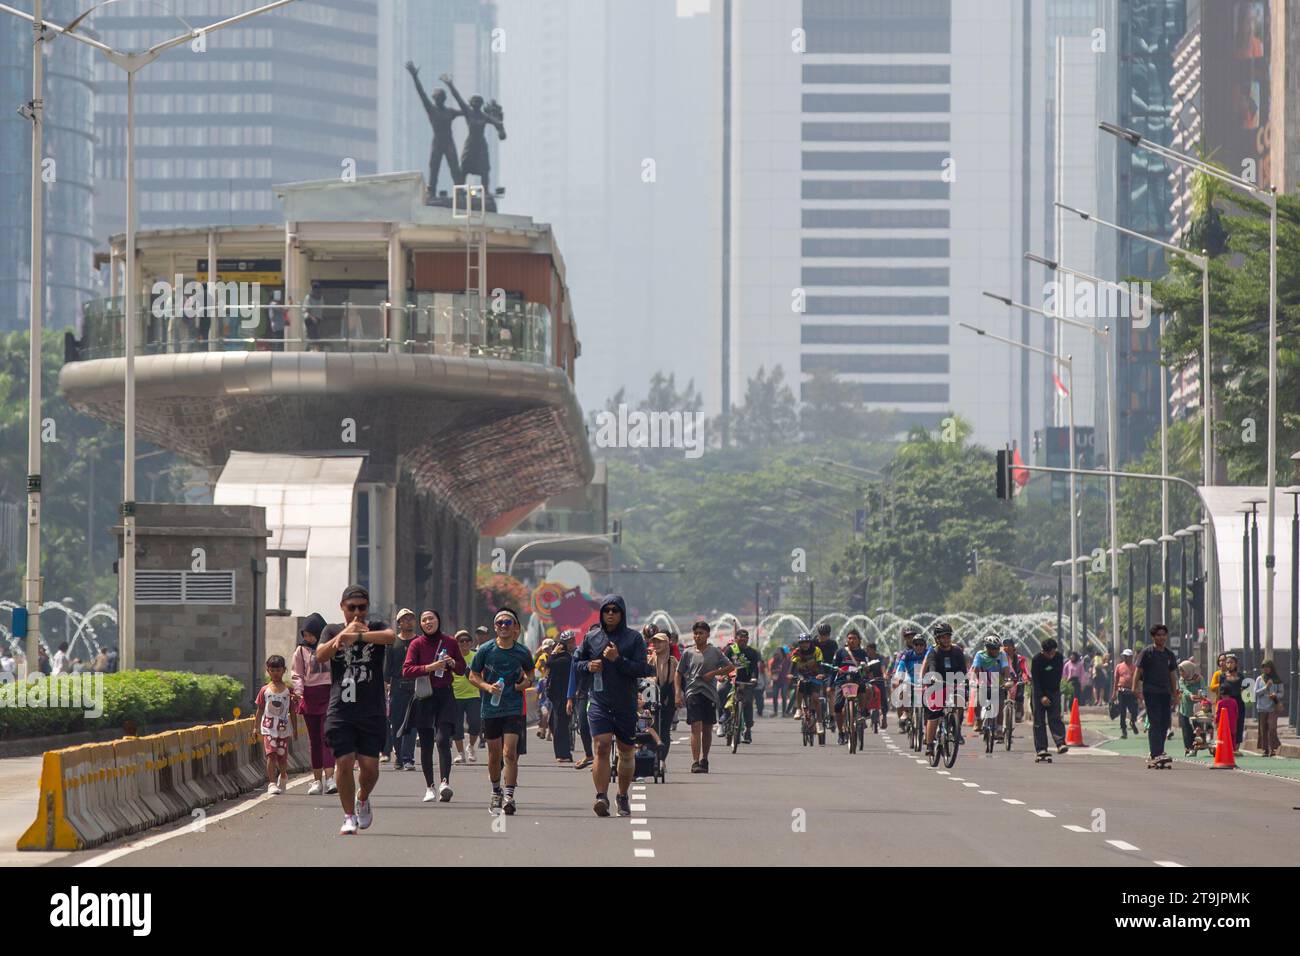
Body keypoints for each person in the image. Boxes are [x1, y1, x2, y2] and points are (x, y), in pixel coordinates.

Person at [316, 584, 395, 835]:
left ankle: (363, 798)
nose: (358, 613)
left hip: (371, 710)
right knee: (345, 761)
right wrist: (343, 637)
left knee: (370, 768)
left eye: (362, 608)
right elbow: (319, 655)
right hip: (341, 709)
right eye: (352, 608)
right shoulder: (331, 630)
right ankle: (348, 815)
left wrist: (359, 636)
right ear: (342, 607)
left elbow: (390, 637)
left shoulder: (377, 626)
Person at [573, 595, 654, 815]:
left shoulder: (634, 639)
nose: (610, 613)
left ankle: (622, 795)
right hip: (599, 700)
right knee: (601, 745)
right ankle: (601, 797)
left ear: (622, 613)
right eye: (606, 610)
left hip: (625, 702)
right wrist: (588, 666)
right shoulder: (591, 637)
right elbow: (576, 663)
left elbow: (643, 669)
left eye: (615, 610)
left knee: (626, 751)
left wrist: (618, 659)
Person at [467, 608, 534, 815]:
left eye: (508, 623)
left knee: (510, 753)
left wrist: (524, 684)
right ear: (495, 627)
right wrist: (487, 687)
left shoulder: (522, 652)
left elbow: (531, 673)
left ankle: (509, 796)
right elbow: (473, 675)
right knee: (494, 755)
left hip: (513, 707)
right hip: (491, 708)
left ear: (515, 627)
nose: (504, 626)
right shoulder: (486, 650)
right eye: (500, 623)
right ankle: (496, 790)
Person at [399, 609, 466, 803]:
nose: (428, 622)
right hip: (424, 696)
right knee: (426, 743)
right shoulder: (416, 643)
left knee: (443, 739)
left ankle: (445, 782)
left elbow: (462, 670)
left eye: (432, 619)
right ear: (421, 624)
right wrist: (430, 668)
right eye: (424, 620)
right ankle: (429, 787)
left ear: (438, 621)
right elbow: (407, 670)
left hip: (445, 695)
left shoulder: (450, 642)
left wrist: (452, 663)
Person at [676, 619, 735, 773]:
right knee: (695, 727)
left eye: (701, 633)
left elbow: (730, 667)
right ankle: (695, 761)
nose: (698, 636)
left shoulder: (715, 652)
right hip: (692, 692)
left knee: (707, 729)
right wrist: (678, 692)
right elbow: (679, 672)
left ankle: (705, 759)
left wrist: (714, 673)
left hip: (709, 694)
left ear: (708, 634)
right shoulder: (688, 653)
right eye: (695, 633)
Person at [290, 612, 336, 795]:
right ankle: (317, 780)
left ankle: (330, 778)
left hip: (329, 695)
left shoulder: (331, 647)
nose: (307, 638)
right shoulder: (301, 651)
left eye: (310, 634)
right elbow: (297, 674)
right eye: (305, 635)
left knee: (327, 738)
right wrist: (299, 692)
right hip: (309, 697)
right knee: (314, 741)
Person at [1133, 624, 1179, 766]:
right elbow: (1138, 671)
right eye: (1158, 635)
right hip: (1151, 692)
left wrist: (1175, 693)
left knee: (1165, 723)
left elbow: (1172, 675)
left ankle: (1159, 752)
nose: (1161, 637)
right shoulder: (1147, 652)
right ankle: (1156, 753)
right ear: (1153, 637)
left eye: (1163, 635)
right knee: (1155, 722)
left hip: (1165, 693)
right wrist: (1135, 688)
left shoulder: (1169, 654)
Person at [921, 621, 968, 755]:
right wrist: (933, 678)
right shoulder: (933, 652)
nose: (946, 639)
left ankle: (956, 728)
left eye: (948, 636)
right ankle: (930, 744)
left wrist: (963, 681)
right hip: (937, 683)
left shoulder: (957, 651)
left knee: (960, 700)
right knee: (934, 715)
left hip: (953, 683)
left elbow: (963, 670)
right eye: (943, 637)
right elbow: (932, 666)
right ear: (937, 638)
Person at [254, 655, 298, 795]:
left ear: (283, 670)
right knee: (271, 755)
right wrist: (255, 727)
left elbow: (292, 710)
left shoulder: (288, 690)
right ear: (268, 671)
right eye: (272, 670)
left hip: (283, 729)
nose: (275, 673)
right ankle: (272, 783)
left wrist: (295, 729)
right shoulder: (264, 690)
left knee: (282, 756)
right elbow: (260, 709)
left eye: (278, 670)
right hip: (268, 728)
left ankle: (283, 775)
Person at [384, 609, 420, 771]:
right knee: (396, 724)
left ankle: (408, 758)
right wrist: (386, 685)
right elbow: (387, 668)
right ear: (399, 623)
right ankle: (398, 755)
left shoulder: (420, 642)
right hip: (397, 687)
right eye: (405, 619)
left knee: (412, 724)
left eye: (411, 619)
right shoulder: (393, 643)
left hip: (415, 687)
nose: (409, 622)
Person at [1030, 637, 1069, 757]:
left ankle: (1060, 743)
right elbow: (1035, 681)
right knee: (1039, 721)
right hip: (1038, 692)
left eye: (1052, 652)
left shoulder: (1058, 658)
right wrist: (1042, 696)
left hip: (1053, 691)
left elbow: (1057, 677)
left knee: (1055, 718)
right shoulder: (1037, 660)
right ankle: (1041, 748)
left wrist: (1050, 696)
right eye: (1047, 653)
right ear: (1043, 651)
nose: (1049, 655)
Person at [723, 628, 762, 743]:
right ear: (736, 639)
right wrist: (722, 675)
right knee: (721, 692)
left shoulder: (753, 653)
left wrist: (754, 678)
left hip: (746, 682)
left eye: (745, 637)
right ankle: (723, 720)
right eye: (741, 637)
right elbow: (722, 663)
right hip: (730, 680)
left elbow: (755, 668)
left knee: (748, 703)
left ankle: (748, 730)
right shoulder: (730, 650)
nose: (743, 639)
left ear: (748, 639)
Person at [969, 637, 1011, 739]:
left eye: (997, 648)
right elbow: (975, 669)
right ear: (987, 648)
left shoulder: (1002, 655)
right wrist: (973, 680)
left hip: (997, 683)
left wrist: (1007, 680)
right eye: (993, 648)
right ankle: (978, 719)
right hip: (983, 682)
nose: (996, 650)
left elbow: (1006, 668)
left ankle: (999, 729)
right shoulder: (980, 655)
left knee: (1000, 707)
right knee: (977, 702)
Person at [831, 630, 868, 743]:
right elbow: (834, 668)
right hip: (842, 681)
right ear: (847, 640)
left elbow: (866, 667)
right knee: (837, 706)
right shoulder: (840, 652)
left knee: (863, 688)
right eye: (850, 638)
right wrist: (830, 684)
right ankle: (841, 733)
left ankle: (861, 713)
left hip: (856, 679)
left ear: (859, 641)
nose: (851, 640)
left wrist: (864, 668)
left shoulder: (862, 653)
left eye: (854, 638)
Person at [647, 631, 677, 767]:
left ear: (667, 644)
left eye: (660, 642)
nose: (656, 644)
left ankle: (662, 760)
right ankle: (649, 758)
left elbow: (679, 681)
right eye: (655, 642)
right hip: (650, 699)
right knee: (650, 728)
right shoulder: (648, 660)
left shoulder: (673, 662)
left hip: (667, 699)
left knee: (665, 730)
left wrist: (678, 696)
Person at [566, 632, 595, 770]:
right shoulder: (579, 653)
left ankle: (602, 758)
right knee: (583, 724)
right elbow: (573, 676)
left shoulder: (608, 650)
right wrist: (569, 698)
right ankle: (589, 754)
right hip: (583, 693)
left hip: (602, 693)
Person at [450, 629, 480, 765]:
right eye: (461, 641)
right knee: (457, 727)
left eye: (467, 641)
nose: (465, 643)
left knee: (475, 723)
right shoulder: (451, 657)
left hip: (473, 694)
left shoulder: (476, 656)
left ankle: (471, 747)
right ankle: (461, 753)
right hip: (455, 695)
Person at [547, 631, 574, 763]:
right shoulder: (562, 657)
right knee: (553, 724)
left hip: (563, 696)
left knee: (560, 726)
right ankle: (564, 753)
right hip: (556, 696)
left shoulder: (565, 659)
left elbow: (549, 664)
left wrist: (553, 653)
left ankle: (563, 754)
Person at [788, 633, 825, 726]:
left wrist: (820, 673)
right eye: (802, 643)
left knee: (816, 698)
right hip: (803, 675)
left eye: (807, 643)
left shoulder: (816, 650)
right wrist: (790, 674)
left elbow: (820, 663)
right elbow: (793, 664)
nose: (805, 645)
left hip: (815, 676)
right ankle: (798, 709)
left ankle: (819, 722)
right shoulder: (796, 652)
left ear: (810, 643)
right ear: (799, 644)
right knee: (799, 684)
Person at [893, 627, 928, 722]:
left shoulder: (928, 653)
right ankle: (905, 712)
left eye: (921, 644)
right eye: (916, 644)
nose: (919, 647)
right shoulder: (905, 654)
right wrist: (898, 678)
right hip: (909, 679)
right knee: (902, 690)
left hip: (925, 681)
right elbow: (900, 666)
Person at [1215, 654, 1245, 753]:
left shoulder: (1241, 677)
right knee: (1226, 725)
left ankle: (1236, 748)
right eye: (1227, 662)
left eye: (1231, 662)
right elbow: (1220, 691)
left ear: (1236, 664)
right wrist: (1218, 704)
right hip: (1226, 705)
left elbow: (1247, 693)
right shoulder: (1222, 677)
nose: (1229, 665)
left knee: (1238, 725)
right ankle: (1226, 746)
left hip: (1239, 704)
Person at [1177, 660, 1208, 756]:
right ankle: (1188, 748)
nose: (1181, 673)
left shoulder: (1199, 678)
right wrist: (1190, 695)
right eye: (1180, 671)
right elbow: (1183, 689)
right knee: (1186, 730)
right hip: (1185, 707)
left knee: (1198, 728)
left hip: (1197, 709)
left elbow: (1204, 689)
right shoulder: (1182, 680)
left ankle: (1198, 746)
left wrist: (1202, 695)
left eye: (1183, 671)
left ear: (1188, 670)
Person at [1254, 660, 1284, 757]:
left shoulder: (1277, 679)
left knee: (1272, 727)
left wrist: (1276, 695)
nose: (1265, 669)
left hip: (1272, 707)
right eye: (1263, 667)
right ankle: (1265, 749)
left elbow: (1281, 693)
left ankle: (1273, 748)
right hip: (1262, 708)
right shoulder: (1259, 679)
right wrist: (1266, 687)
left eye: (1267, 667)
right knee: (1263, 729)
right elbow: (1256, 693)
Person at [1111, 648, 1139, 738]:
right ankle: (1123, 730)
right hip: (1121, 691)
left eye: (1128, 656)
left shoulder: (1135, 667)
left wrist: (1139, 692)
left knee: (1134, 710)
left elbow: (1138, 680)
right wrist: (1114, 693)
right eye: (1125, 656)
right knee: (1122, 711)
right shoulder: (1119, 666)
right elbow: (1116, 680)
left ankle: (1133, 721)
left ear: (1131, 657)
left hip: (1131, 691)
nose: (1126, 658)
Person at [1001, 637, 1029, 723]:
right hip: (1002, 680)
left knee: (1020, 690)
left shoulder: (1020, 659)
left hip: (1016, 680)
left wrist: (1026, 678)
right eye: (1005, 646)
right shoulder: (1000, 658)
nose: (1007, 648)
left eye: (1009, 646)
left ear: (1013, 647)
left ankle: (1019, 711)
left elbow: (1025, 670)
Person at [768, 645, 791, 717]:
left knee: (784, 696)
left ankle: (784, 712)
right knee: (774, 696)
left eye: (779, 652)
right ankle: (775, 712)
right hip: (776, 680)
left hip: (784, 680)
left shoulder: (787, 660)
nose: (778, 653)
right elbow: (771, 670)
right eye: (777, 652)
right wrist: (776, 670)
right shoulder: (775, 660)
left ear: (782, 652)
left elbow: (790, 669)